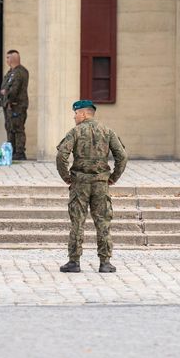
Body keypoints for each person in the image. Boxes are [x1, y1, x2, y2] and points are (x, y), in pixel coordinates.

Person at [56, 100, 128, 273]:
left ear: (83, 114)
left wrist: (67, 177)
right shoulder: (107, 131)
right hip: (101, 184)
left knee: (77, 223)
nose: (74, 117)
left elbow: (61, 156)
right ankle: (105, 262)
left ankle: (74, 262)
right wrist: (113, 178)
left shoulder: (75, 132)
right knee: (103, 222)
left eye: (75, 113)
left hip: (79, 184)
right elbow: (122, 156)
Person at [0, 49, 29, 160]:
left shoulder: (19, 72)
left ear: (12, 59)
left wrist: (6, 94)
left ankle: (19, 152)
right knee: (10, 128)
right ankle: (11, 152)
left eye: (8, 57)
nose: (6, 60)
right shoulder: (11, 72)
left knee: (17, 128)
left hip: (16, 105)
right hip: (10, 105)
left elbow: (14, 90)